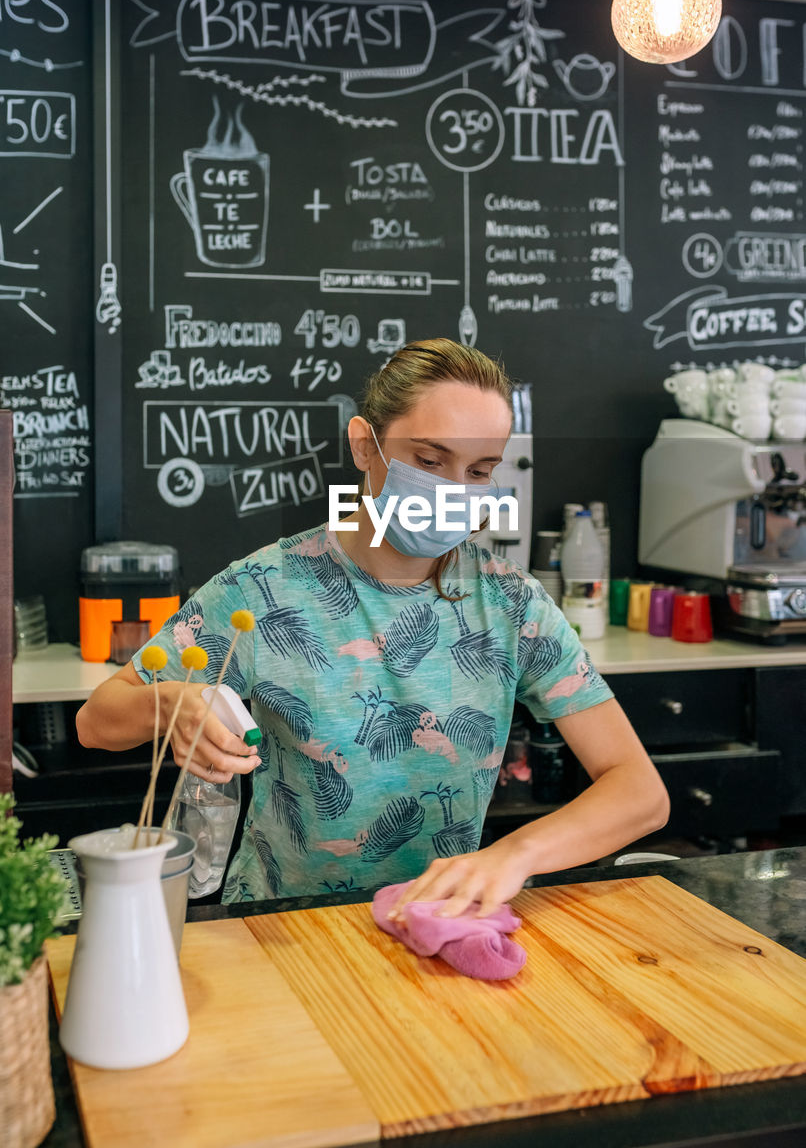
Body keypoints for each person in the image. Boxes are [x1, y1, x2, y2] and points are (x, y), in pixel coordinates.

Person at [77, 339, 669, 916]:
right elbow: (96, 721)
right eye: (430, 461)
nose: (452, 491)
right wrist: (174, 704)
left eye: (480, 470)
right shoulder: (262, 590)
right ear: (365, 446)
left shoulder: (510, 603)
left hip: (435, 925)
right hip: (279, 927)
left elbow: (639, 792)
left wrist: (513, 856)